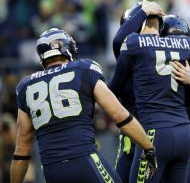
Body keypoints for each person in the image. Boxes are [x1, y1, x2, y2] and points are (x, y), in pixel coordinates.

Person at [10, 28, 158, 183]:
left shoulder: (26, 86)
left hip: (51, 170)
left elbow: (21, 148)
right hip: (83, 160)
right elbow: (119, 115)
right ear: (67, 49)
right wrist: (148, 148)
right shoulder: (84, 69)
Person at [110, 11, 190, 182]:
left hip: (150, 135)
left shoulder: (135, 47)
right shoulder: (186, 47)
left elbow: (120, 43)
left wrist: (143, 13)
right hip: (182, 132)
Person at [113, 1, 165, 183]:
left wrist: (143, 13)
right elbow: (119, 41)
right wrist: (143, 12)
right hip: (134, 136)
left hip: (153, 134)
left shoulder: (162, 55)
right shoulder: (130, 53)